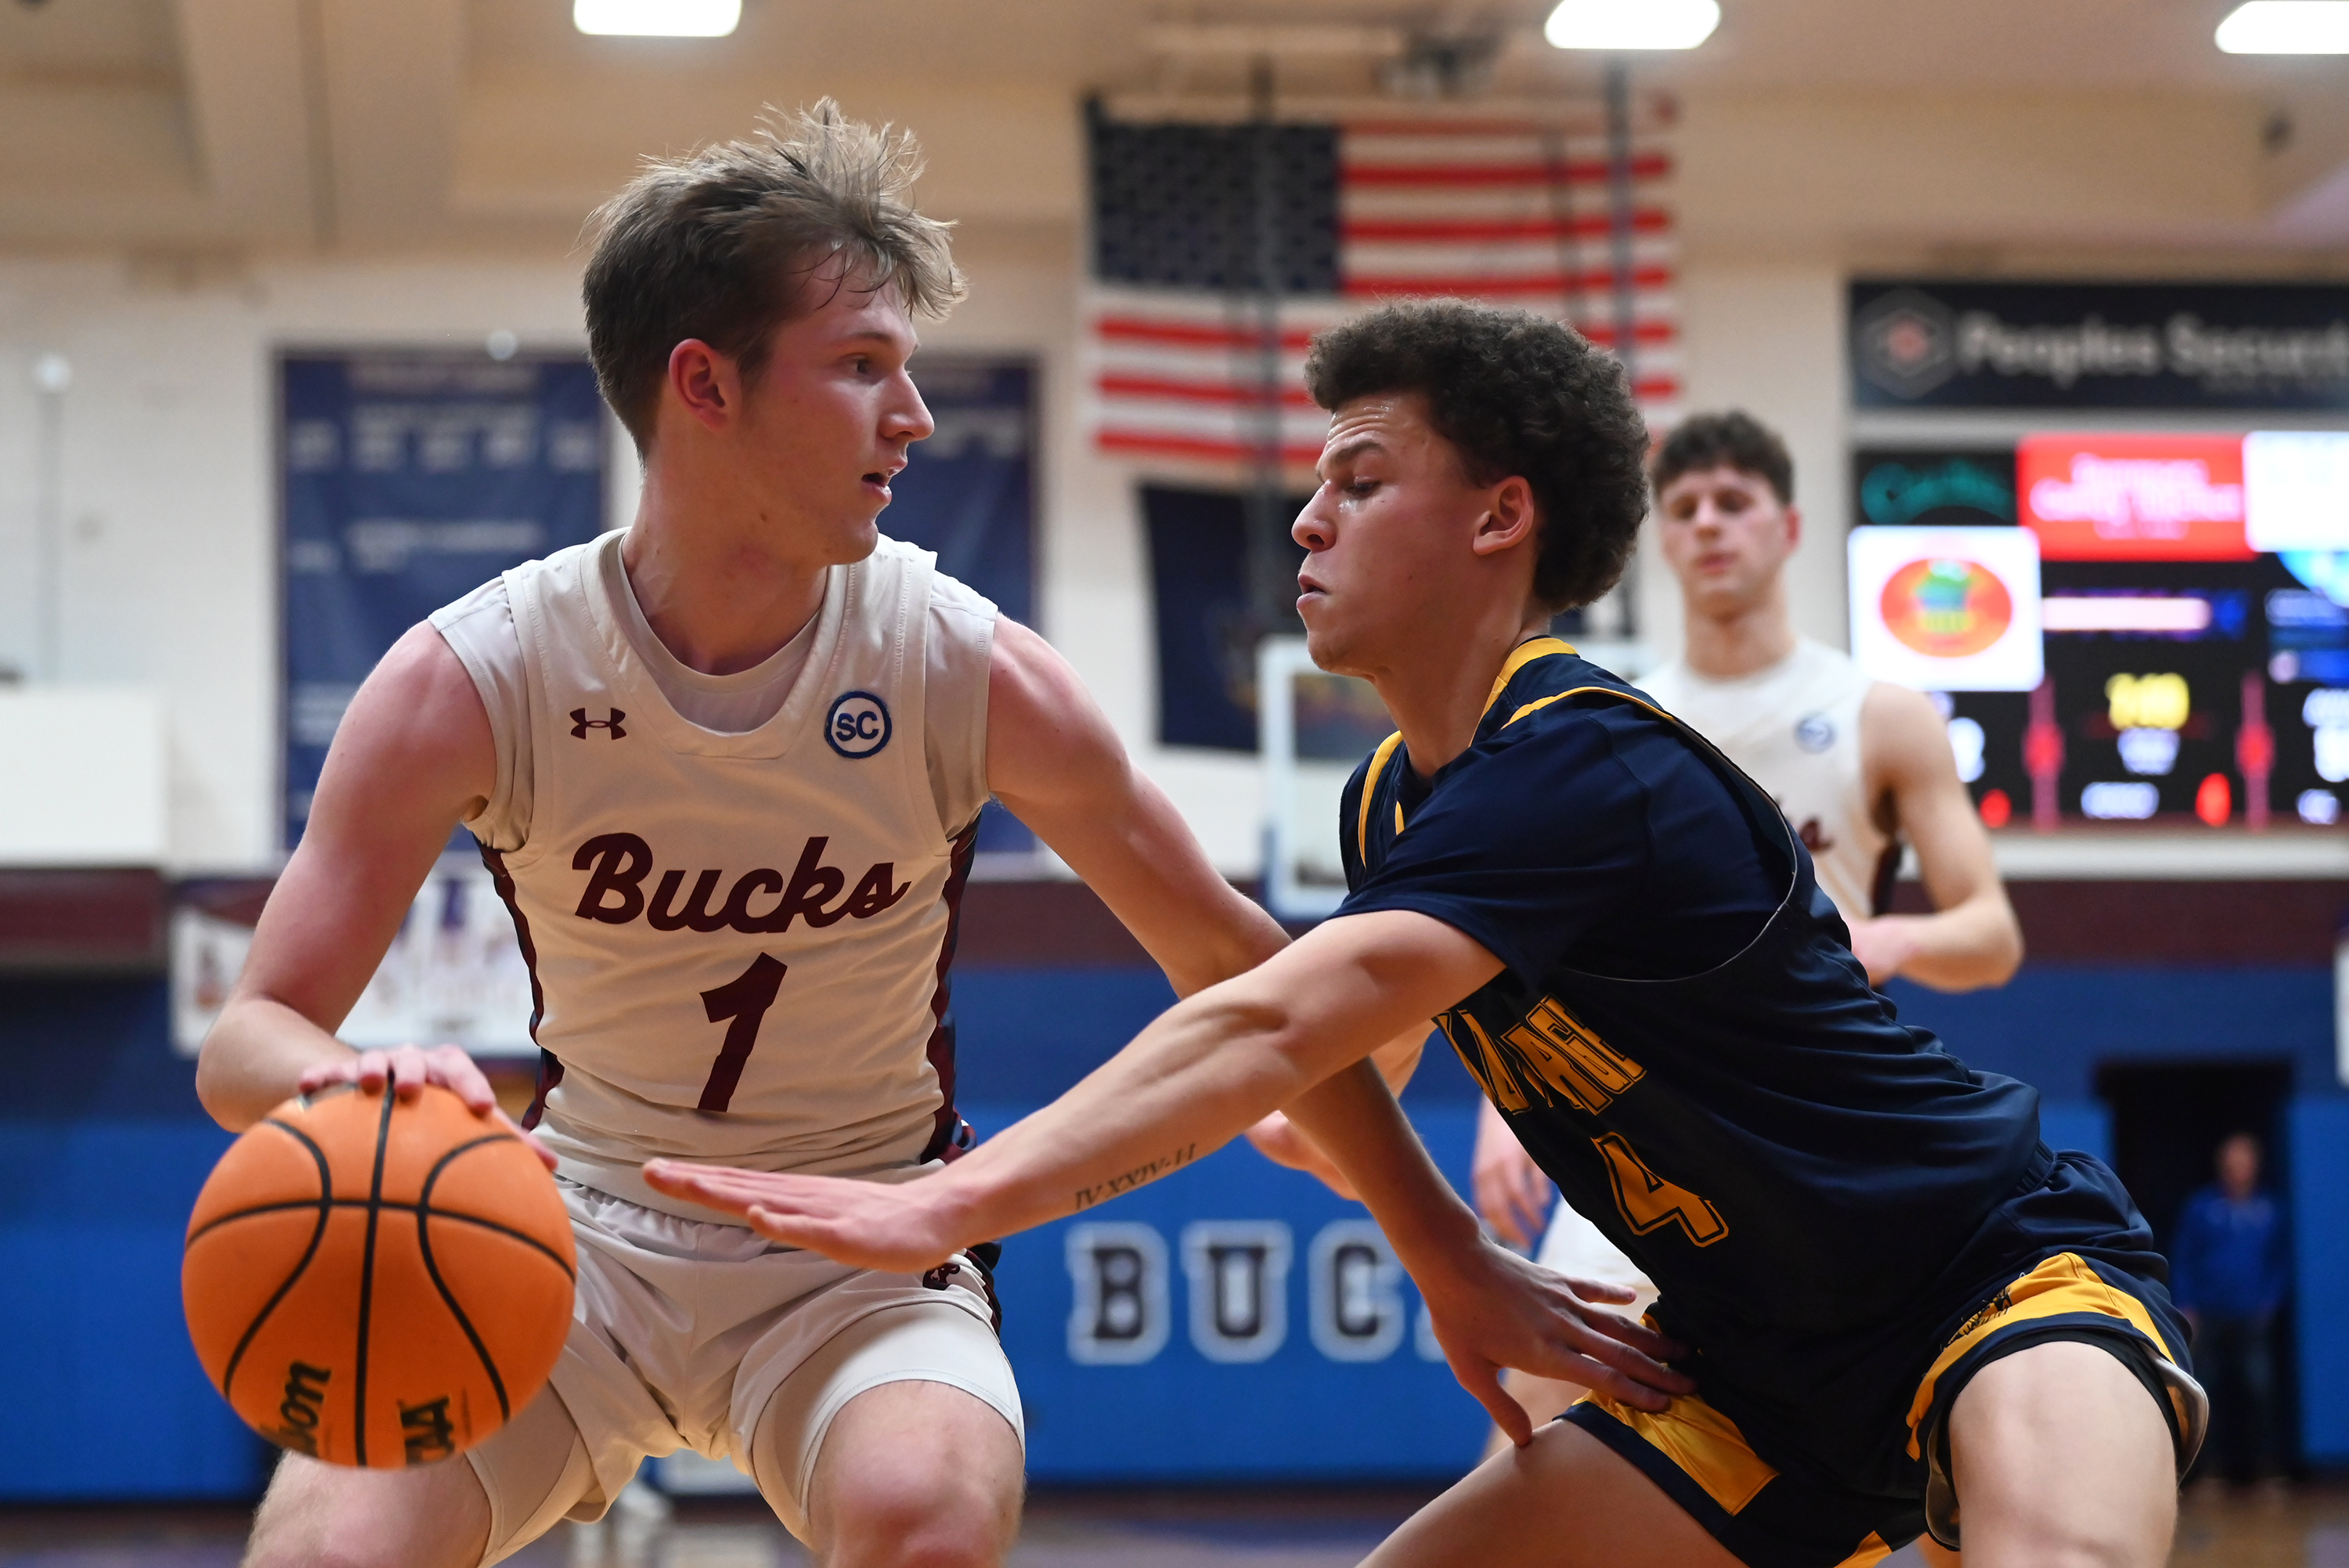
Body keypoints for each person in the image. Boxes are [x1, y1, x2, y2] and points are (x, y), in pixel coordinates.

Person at [650, 298, 2206, 1568]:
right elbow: (1321, 1072)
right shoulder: (1399, 796)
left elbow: (1267, 1020)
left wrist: (954, 1197)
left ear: (1500, 517)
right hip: (1746, 1366)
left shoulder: (1584, 756)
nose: (1309, 521)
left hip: (1990, 1275)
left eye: (1362, 479)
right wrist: (1373, 1183)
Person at [196, 104, 1290, 1568]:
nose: (917, 418)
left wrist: (1412, 1173)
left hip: (868, 1247)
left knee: (928, 1519)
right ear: (703, 385)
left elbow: (1259, 985)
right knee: (323, 1550)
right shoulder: (479, 672)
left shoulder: (962, 664)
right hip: (567, 1238)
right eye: (861, 369)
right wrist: (354, 1075)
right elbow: (245, 1038)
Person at [1466, 409, 2028, 1442]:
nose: (1711, 523)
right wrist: (1506, 1109)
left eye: (1735, 502)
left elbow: (1993, 934)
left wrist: (1892, 939)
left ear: (1789, 526)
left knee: (1932, 1426)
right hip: (1648, 1117)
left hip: (1829, 1110)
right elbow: (1544, 946)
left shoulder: (1882, 712)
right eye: (1685, 508)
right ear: (1661, 540)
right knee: (1542, 1409)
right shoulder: (1611, 718)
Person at [2171, 1133, 2292, 1484]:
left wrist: (2270, 1301)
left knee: (2259, 1391)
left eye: (2245, 1160)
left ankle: (2266, 1470)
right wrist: (2187, 1305)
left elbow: (2279, 1263)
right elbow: (2183, 1258)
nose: (2238, 1168)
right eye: (2231, 1160)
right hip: (2209, 1318)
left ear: (2255, 1165)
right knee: (2207, 1394)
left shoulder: (2270, 1210)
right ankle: (2209, 1473)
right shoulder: (2201, 1208)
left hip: (2252, 1319)